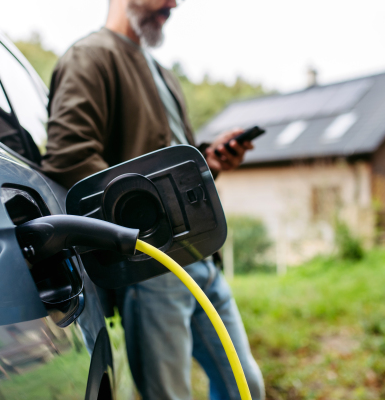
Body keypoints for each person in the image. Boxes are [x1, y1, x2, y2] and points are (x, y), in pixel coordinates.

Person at [42, 1, 265, 399]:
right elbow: (68, 158)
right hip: (151, 271)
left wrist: (209, 159)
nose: (174, 4)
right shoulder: (90, 57)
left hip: (202, 260)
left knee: (246, 386)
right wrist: (148, 218)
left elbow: (162, 163)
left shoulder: (163, 74)